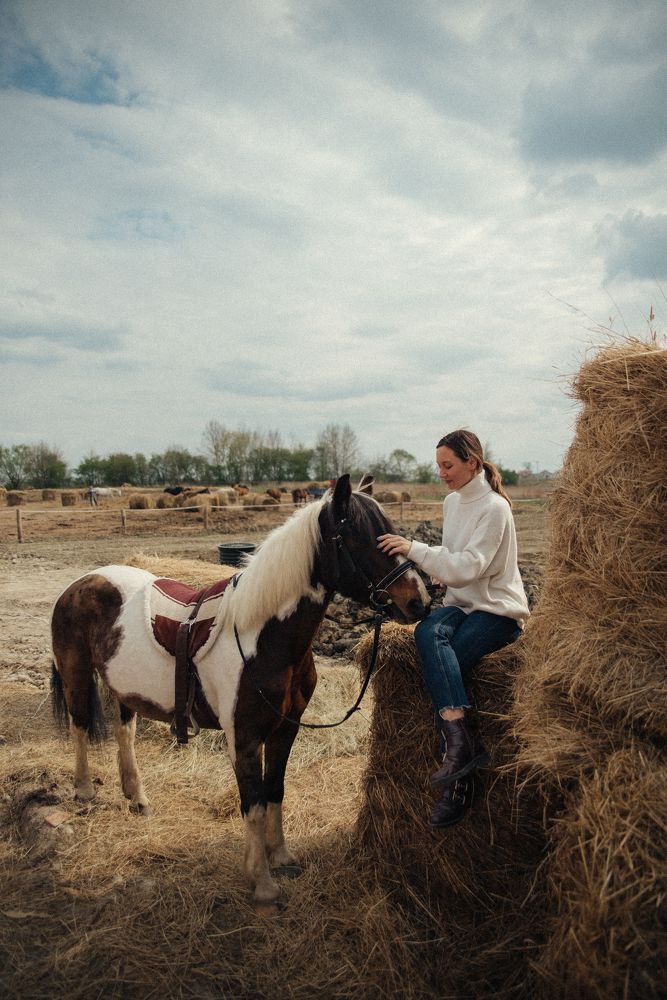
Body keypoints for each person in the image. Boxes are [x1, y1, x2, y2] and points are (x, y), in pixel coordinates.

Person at [377, 429, 529, 828]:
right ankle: (461, 745)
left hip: (496, 610)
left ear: (472, 463)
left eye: (448, 465)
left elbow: (469, 566)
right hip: (462, 605)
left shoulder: (495, 508)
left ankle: (457, 781)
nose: (442, 473)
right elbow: (457, 564)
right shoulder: (451, 502)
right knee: (428, 635)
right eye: (439, 466)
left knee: (445, 669)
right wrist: (443, 578)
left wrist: (414, 550)